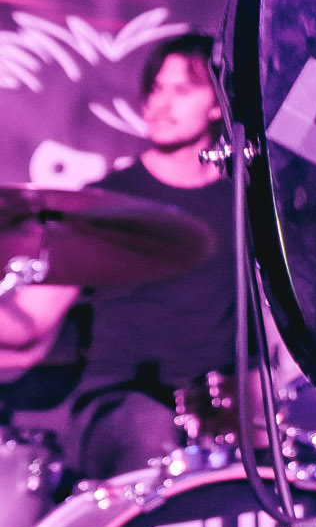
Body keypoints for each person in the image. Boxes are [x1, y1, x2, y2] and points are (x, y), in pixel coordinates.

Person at [0, 33, 240, 479]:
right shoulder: (105, 203)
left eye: (182, 90)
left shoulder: (242, 204)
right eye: (155, 90)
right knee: (149, 433)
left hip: (219, 412)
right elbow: (30, 323)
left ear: (217, 104)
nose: (160, 104)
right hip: (115, 406)